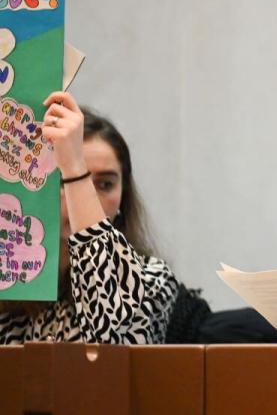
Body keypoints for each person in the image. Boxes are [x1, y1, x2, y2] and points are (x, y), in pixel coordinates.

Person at [0, 92, 179, 344]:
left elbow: (110, 339)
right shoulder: (9, 281)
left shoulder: (151, 277)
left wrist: (74, 168)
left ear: (123, 197)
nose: (87, 197)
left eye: (105, 184)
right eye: (63, 180)